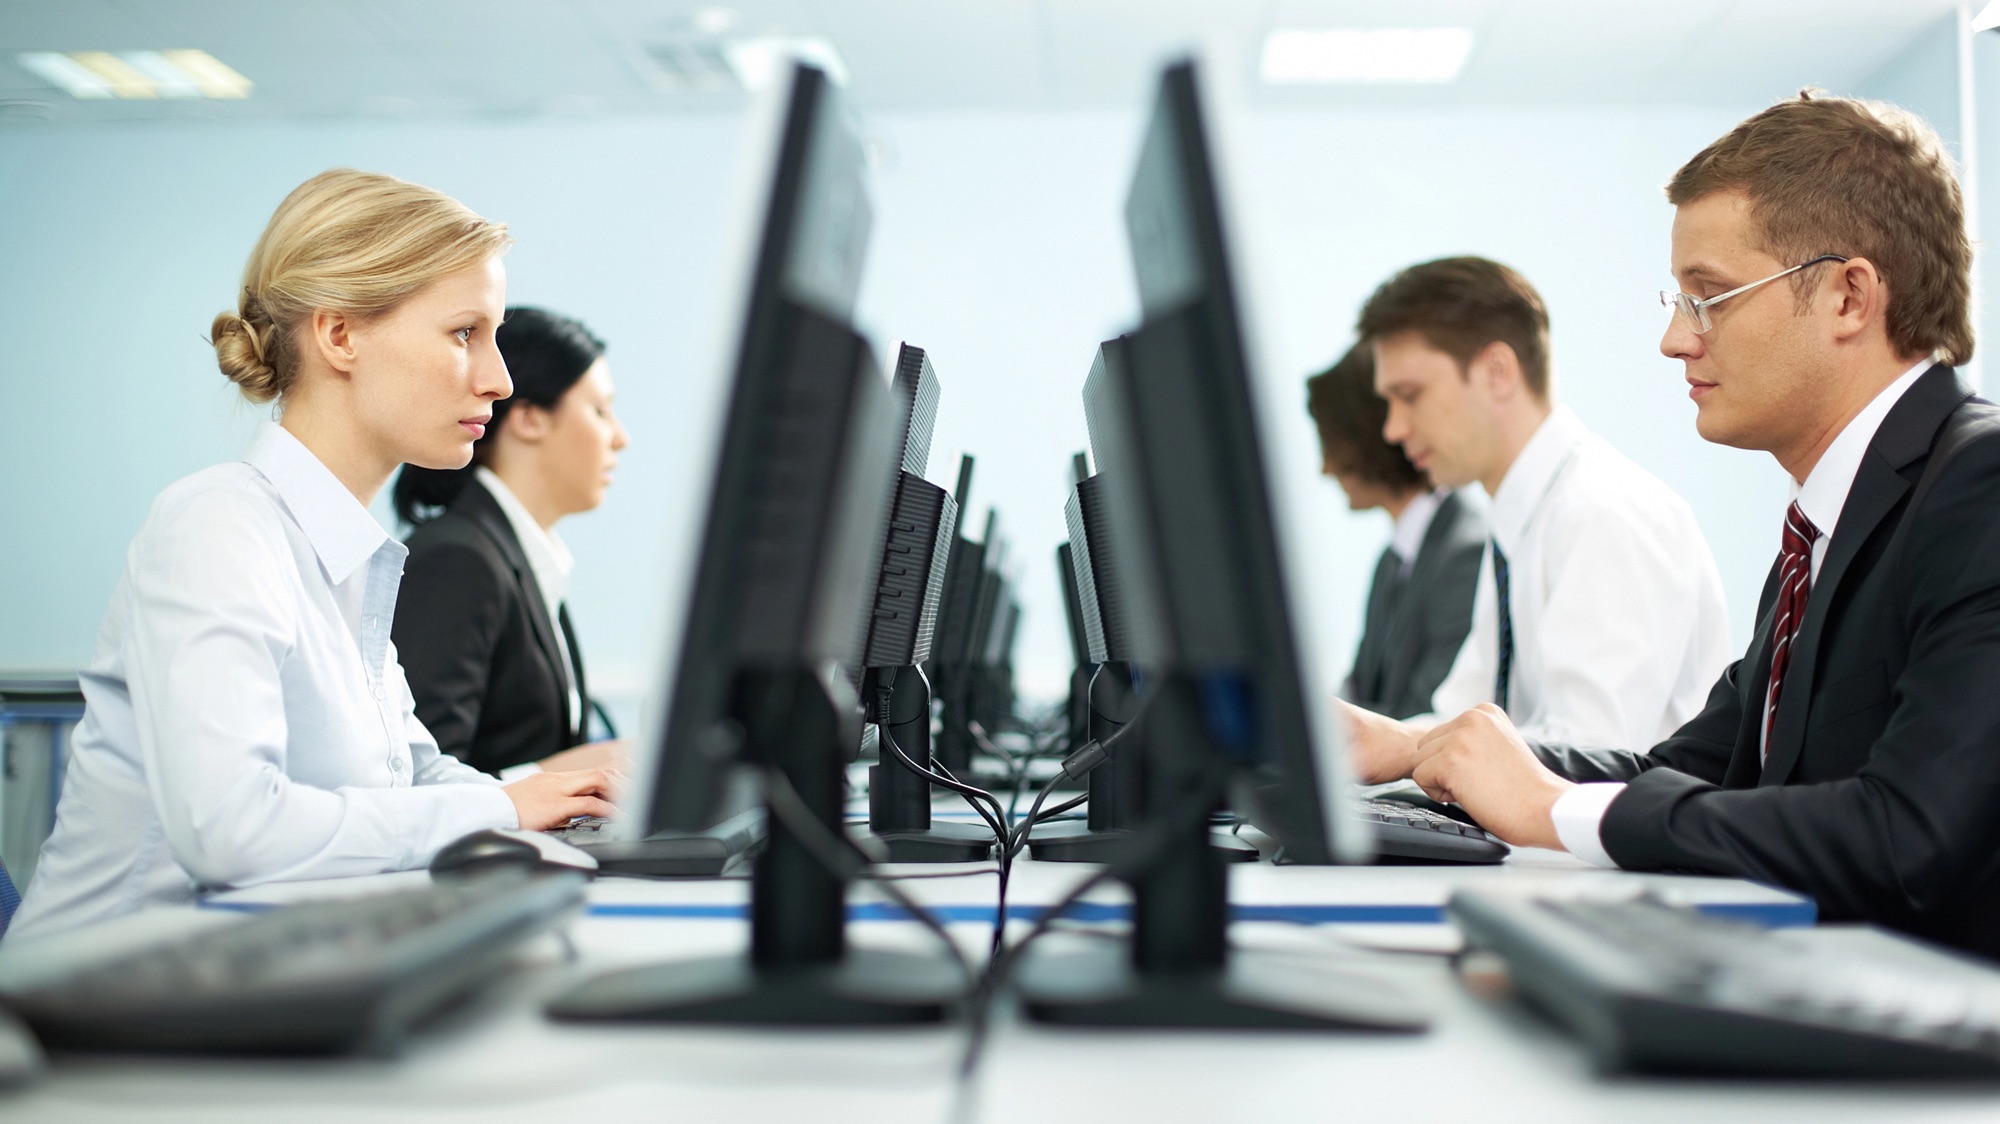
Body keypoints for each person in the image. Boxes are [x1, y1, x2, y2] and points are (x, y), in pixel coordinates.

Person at [1357, 93, 2000, 960]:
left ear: (1850, 297)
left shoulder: (1978, 484)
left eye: (1711, 298)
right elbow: (1687, 769)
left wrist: (1551, 808)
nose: (1674, 339)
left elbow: (1907, 832)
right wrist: (1420, 748)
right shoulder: (1827, 524)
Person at [7, 170, 617, 942]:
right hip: (97, 1003)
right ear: (339, 336)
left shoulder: (346, 553)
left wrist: (564, 800)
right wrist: (501, 806)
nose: (497, 379)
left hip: (246, 969)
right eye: (465, 334)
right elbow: (232, 830)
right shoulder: (218, 526)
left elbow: (416, 775)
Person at [1342, 256, 1731, 757]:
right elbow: (1460, 717)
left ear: (1497, 372)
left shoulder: (1603, 513)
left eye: (1409, 395)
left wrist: (1400, 748)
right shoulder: (1518, 527)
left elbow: (1587, 761)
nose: (1392, 429)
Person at [392, 308, 629, 777]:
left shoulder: (522, 559)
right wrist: (563, 777)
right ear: (528, 418)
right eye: (600, 410)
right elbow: (418, 786)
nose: (619, 437)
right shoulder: (457, 560)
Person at [1307, 342, 1486, 719]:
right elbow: (1358, 692)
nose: (1325, 468)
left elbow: (1427, 722)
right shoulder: (1393, 562)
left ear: (1366, 437)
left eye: (1330, 441)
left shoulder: (1465, 553)